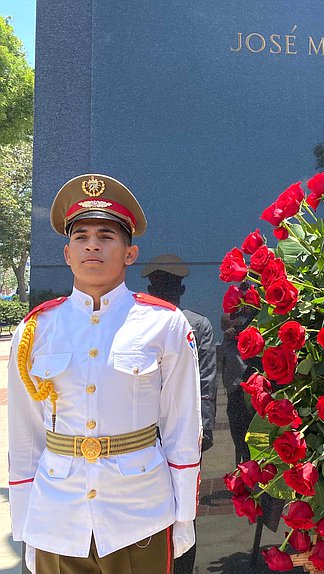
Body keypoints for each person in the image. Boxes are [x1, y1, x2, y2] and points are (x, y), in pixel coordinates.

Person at [8, 174, 202, 574]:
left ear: (130, 253)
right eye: (81, 236)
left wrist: (184, 516)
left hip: (139, 513)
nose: (92, 244)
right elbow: (25, 435)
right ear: (66, 253)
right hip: (57, 512)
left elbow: (183, 425)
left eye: (106, 235)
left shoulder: (163, 324)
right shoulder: (37, 330)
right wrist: (24, 522)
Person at [142, 254, 217, 574]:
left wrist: (205, 429)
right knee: (175, 511)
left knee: (176, 512)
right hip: (158, 436)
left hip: (162, 436)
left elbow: (206, 381)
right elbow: (208, 382)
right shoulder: (195, 324)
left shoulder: (196, 325)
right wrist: (206, 429)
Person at [220, 312, 251, 466]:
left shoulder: (249, 342)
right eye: (226, 326)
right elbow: (223, 364)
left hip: (250, 393)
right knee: (238, 437)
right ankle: (241, 467)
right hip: (234, 395)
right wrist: (227, 340)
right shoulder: (225, 345)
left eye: (236, 326)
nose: (233, 330)